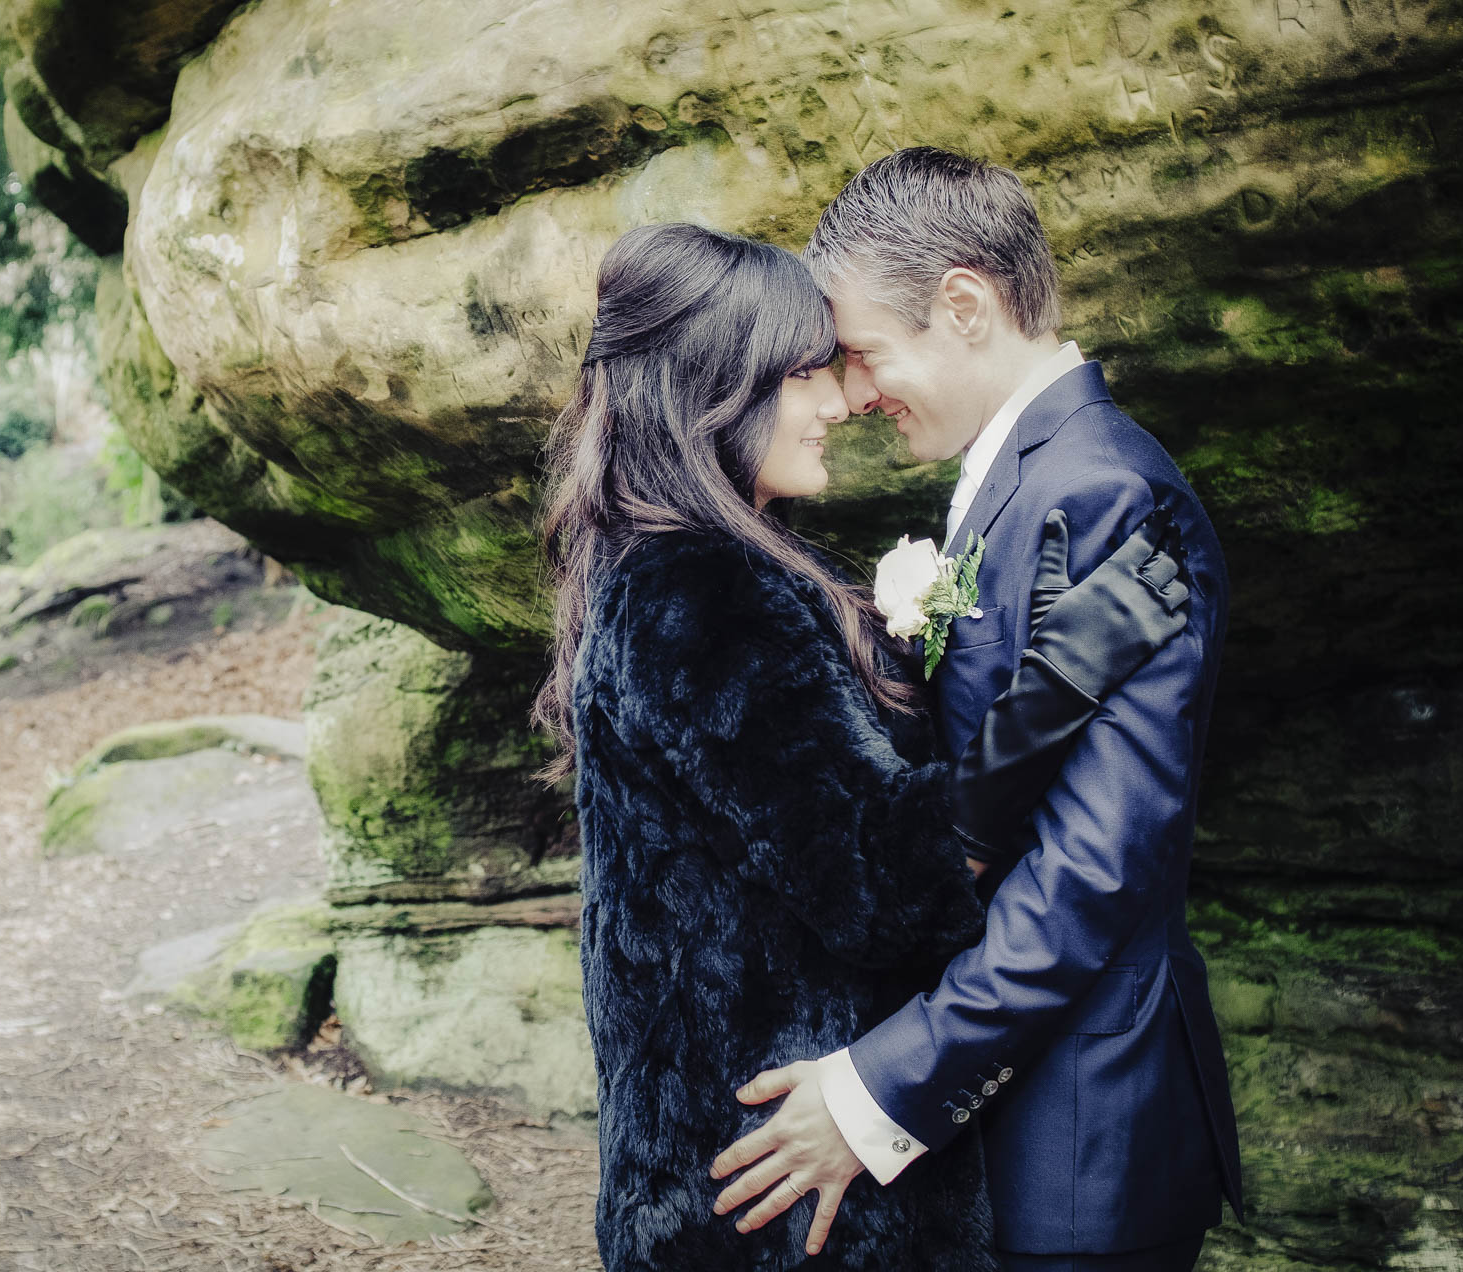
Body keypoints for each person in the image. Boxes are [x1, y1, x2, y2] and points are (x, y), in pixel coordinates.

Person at [533, 222, 1191, 1271]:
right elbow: (874, 883)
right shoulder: (698, 588)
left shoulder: (692, 569)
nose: (840, 400)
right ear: (716, 389)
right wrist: (1062, 681)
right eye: (805, 373)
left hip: (757, 1180)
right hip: (787, 1199)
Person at [710, 148, 1243, 1272]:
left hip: (1080, 1142)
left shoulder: (1099, 489)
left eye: (864, 353)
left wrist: (879, 1090)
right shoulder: (1018, 479)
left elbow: (1092, 872)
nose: (856, 394)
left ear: (963, 305)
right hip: (1018, 1123)